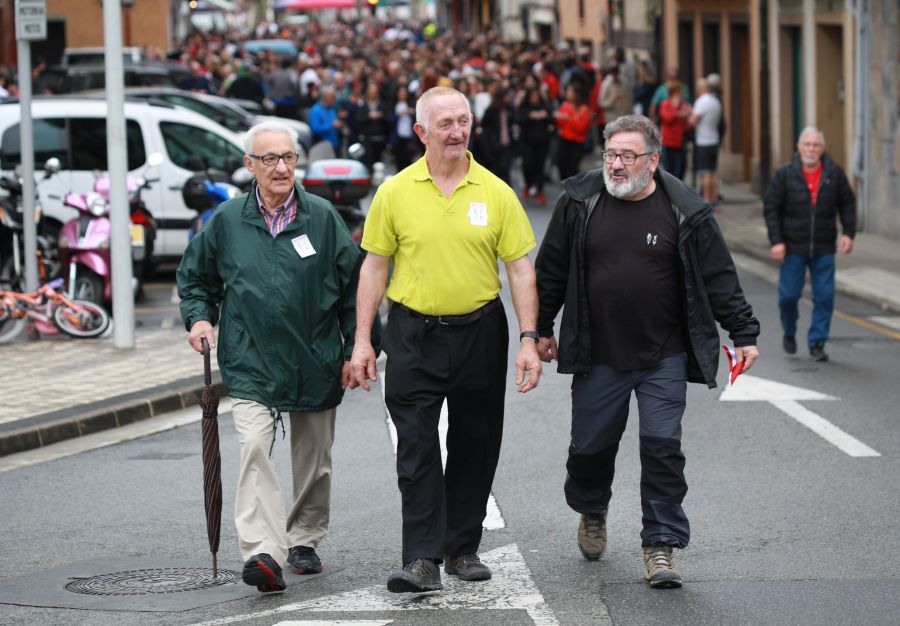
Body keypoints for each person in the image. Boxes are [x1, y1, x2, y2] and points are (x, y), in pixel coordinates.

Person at [534, 114, 760, 589]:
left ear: (653, 162)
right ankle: (592, 508)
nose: (615, 165)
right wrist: (539, 329)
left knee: (662, 449)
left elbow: (719, 276)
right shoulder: (580, 201)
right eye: (610, 154)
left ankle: (660, 545)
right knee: (590, 449)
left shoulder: (685, 211)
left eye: (627, 156)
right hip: (598, 352)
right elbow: (550, 269)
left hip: (663, 354)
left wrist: (743, 332)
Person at [350, 86, 543, 594]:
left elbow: (520, 270)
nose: (456, 132)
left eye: (463, 121)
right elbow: (374, 266)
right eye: (445, 124)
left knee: (476, 443)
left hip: (482, 330)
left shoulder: (496, 191)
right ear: (421, 132)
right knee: (415, 447)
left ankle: (461, 548)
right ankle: (421, 558)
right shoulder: (394, 191)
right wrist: (363, 340)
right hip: (413, 332)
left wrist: (528, 339)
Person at [177, 121, 377, 593]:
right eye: (269, 159)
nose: (281, 167)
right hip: (249, 357)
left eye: (288, 157)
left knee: (314, 458)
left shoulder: (323, 218)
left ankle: (304, 537)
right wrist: (199, 318)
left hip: (315, 355)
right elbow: (196, 278)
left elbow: (354, 291)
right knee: (252, 449)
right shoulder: (226, 221)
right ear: (250, 166)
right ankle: (263, 552)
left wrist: (357, 348)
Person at [764, 126, 856, 362]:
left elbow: (847, 204)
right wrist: (776, 241)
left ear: (823, 149)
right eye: (807, 144)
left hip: (824, 247)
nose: (811, 149)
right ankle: (790, 330)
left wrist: (848, 233)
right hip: (792, 247)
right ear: (799, 146)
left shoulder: (834, 174)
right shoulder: (784, 174)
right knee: (788, 297)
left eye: (816, 145)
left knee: (825, 296)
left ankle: (817, 341)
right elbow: (771, 208)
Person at [688, 78, 722, 206]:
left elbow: (693, 121)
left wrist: (688, 115)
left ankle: (707, 202)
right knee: (713, 173)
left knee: (706, 173)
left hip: (703, 141)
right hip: (714, 139)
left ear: (701, 88)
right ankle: (714, 201)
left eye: (697, 88)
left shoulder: (701, 102)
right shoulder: (715, 101)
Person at [554, 83, 592, 181]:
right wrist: (559, 118)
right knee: (560, 163)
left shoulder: (584, 109)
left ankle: (571, 187)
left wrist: (568, 119)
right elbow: (559, 124)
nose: (568, 93)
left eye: (570, 91)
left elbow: (582, 128)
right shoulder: (565, 105)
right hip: (564, 139)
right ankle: (565, 183)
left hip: (576, 142)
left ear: (577, 94)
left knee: (572, 167)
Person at [658, 82, 692, 180]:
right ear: (674, 93)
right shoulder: (666, 104)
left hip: (681, 141)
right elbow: (667, 118)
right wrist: (677, 111)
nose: (682, 94)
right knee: (669, 169)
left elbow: (690, 120)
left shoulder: (684, 104)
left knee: (680, 169)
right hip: (668, 141)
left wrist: (686, 115)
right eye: (680, 92)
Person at [308, 86, 344, 152]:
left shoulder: (331, 109)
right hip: (323, 148)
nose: (334, 98)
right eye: (332, 96)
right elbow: (315, 129)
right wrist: (331, 125)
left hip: (335, 145)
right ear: (326, 97)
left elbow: (335, 121)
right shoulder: (315, 110)